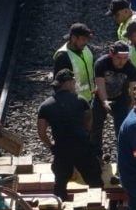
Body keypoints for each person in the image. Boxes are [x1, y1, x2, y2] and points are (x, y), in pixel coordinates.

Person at [37, 69, 104, 200]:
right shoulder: (81, 100)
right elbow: (89, 118)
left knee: (60, 184)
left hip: (62, 149)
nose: (74, 85)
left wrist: (51, 146)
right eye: (73, 82)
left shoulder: (45, 106)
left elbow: (41, 132)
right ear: (69, 83)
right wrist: (85, 133)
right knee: (95, 181)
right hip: (82, 147)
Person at [93, 41, 136, 142]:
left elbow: (133, 92)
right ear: (111, 54)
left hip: (120, 97)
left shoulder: (131, 68)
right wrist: (104, 102)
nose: (122, 62)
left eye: (125, 58)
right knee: (95, 125)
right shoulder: (101, 64)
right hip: (101, 95)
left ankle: (122, 152)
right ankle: (96, 152)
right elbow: (100, 85)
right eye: (118, 58)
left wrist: (130, 108)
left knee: (122, 127)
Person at [53, 23, 97, 106]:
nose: (86, 42)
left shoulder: (86, 49)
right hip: (74, 102)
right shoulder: (63, 56)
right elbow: (58, 84)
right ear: (73, 38)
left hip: (91, 98)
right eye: (83, 39)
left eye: (87, 39)